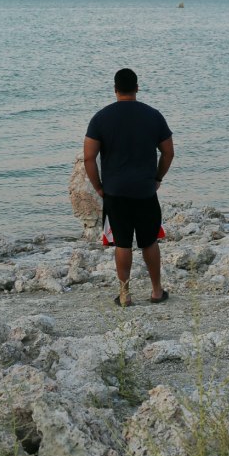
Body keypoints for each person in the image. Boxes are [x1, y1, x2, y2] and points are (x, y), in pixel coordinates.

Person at [84, 68, 174, 307]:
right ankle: (156, 291)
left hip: (115, 192)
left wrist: (98, 186)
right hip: (145, 191)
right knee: (150, 241)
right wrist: (158, 178)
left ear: (115, 89)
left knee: (123, 243)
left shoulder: (100, 118)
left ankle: (125, 295)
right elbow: (168, 153)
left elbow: (89, 158)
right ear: (137, 88)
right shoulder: (153, 116)